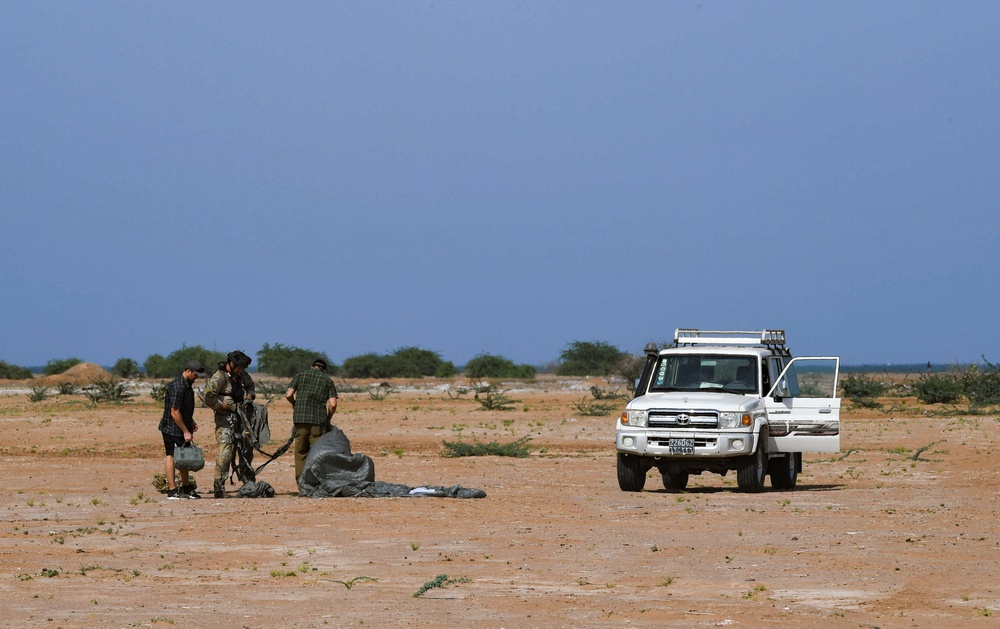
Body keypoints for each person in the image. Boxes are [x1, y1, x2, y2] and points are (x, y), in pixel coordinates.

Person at [204, 350, 256, 498]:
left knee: (246, 449)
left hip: (242, 418)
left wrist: (249, 397)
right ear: (231, 364)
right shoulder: (219, 377)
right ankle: (219, 488)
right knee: (225, 452)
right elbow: (208, 398)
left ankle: (249, 483)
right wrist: (226, 407)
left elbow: (250, 385)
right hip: (224, 420)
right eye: (239, 367)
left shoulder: (241, 374)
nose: (242, 370)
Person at [285, 358, 339, 486]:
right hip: (318, 422)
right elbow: (333, 404)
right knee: (317, 453)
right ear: (324, 370)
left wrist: (295, 404)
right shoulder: (327, 380)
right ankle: (316, 484)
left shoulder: (300, 375)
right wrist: (328, 418)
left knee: (300, 452)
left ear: (312, 366)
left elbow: (288, 394)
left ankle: (301, 484)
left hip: (300, 419)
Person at [157, 360, 206, 500]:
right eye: (196, 375)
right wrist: (186, 431)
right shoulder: (178, 386)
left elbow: (183, 410)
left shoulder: (187, 385)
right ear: (189, 371)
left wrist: (191, 422)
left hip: (181, 426)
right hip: (171, 428)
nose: (197, 378)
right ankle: (172, 490)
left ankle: (186, 488)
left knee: (183, 456)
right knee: (171, 456)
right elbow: (174, 411)